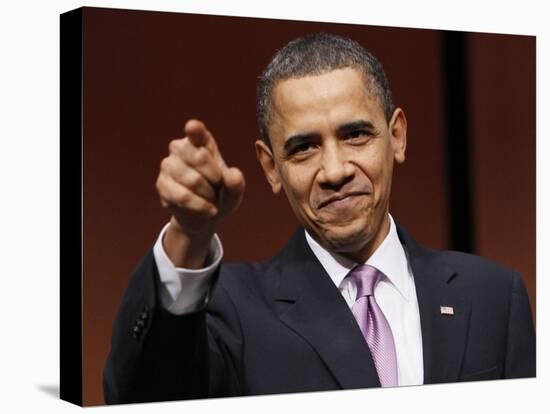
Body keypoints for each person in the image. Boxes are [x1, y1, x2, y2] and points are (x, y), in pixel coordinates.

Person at [103, 33, 535, 404]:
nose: (334, 171)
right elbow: (142, 396)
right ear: (271, 167)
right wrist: (189, 234)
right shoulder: (229, 310)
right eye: (304, 147)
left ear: (397, 136)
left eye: (355, 135)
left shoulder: (494, 296)